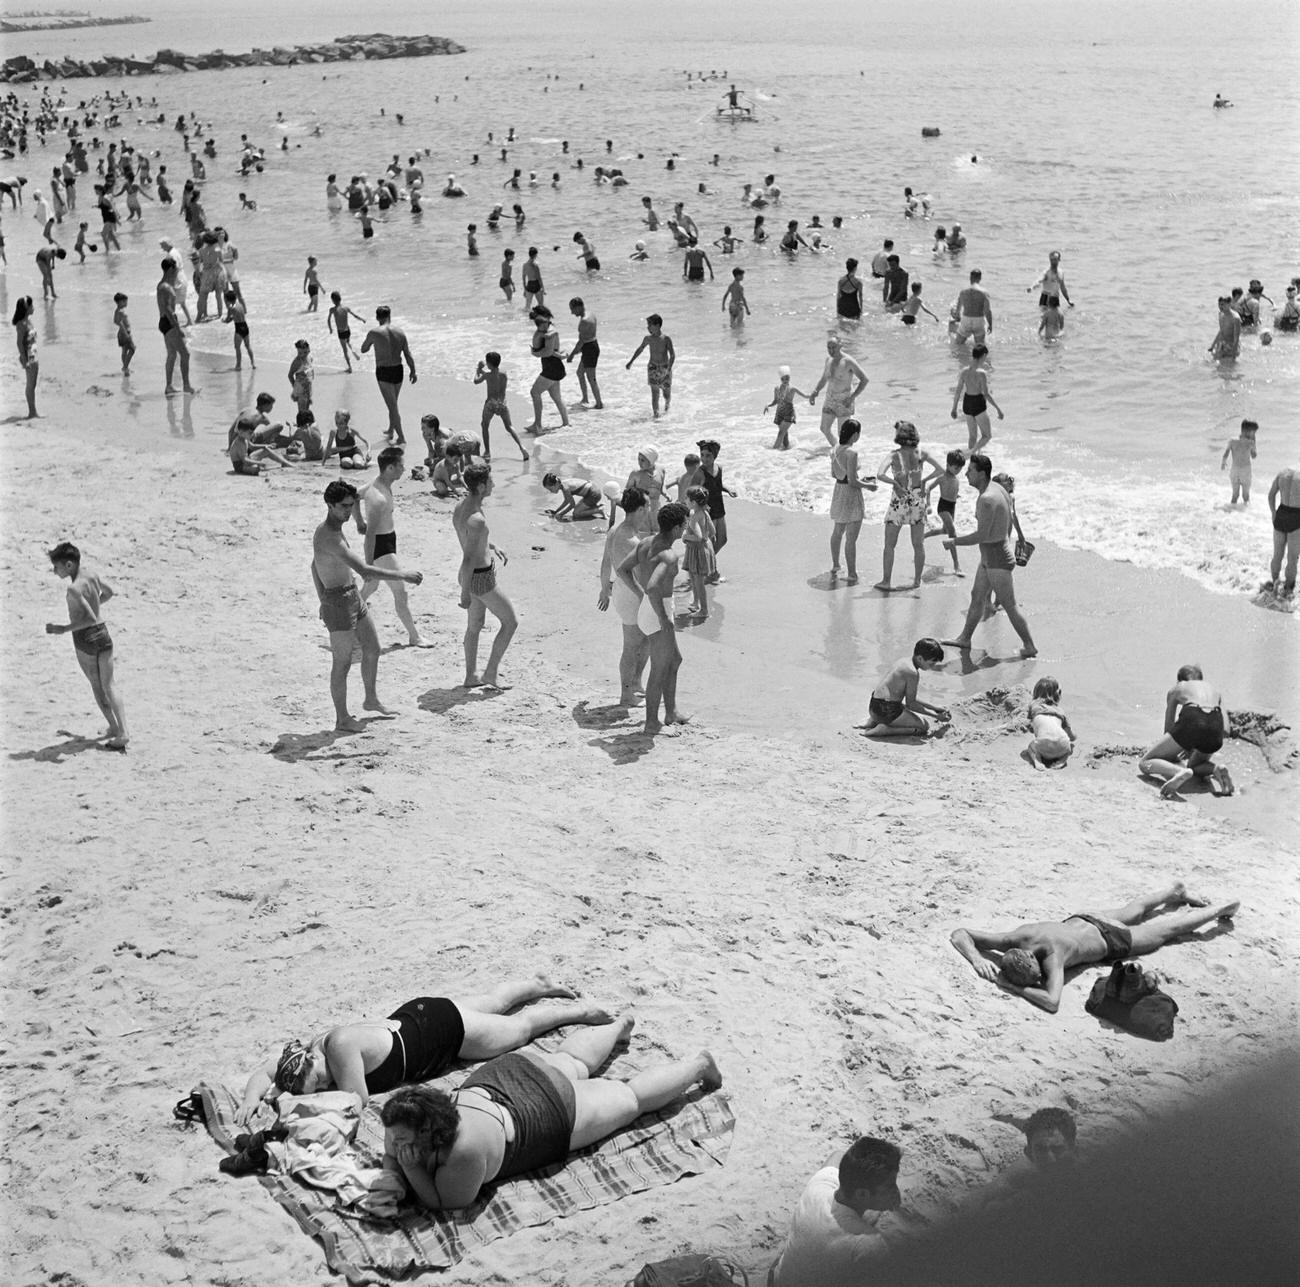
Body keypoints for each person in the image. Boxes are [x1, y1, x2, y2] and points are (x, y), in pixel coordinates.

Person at [378, 1019, 721, 1209]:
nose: (393, 1143)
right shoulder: (406, 1119)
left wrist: (409, 1168)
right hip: (504, 1076)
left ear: (427, 1133)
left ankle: (698, 1064)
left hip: (543, 1110)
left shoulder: (462, 1152)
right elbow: (391, 1145)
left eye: (402, 1140)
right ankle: (618, 1026)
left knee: (629, 1098)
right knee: (570, 1062)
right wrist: (392, 1170)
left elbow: (447, 1202)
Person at [235, 977, 614, 1126]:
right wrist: (254, 1097)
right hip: (419, 1016)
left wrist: (296, 1110)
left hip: (444, 1034)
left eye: (317, 1083)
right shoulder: (305, 1056)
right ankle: (536, 984)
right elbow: (267, 1071)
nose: (320, 1089)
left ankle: (580, 1011)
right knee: (492, 1003)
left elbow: (355, 1100)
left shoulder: (339, 1047)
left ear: (314, 1064)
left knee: (520, 1031)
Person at [949, 882, 1239, 1013]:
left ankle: (1217, 911)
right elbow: (960, 933)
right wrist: (975, 958)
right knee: (1134, 909)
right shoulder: (1015, 937)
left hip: (1110, 940)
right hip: (1084, 918)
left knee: (1168, 931)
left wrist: (1014, 987)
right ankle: (1173, 892)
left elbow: (1052, 1002)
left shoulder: (1052, 957)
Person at [312, 479, 423, 731]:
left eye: (351, 506)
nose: (348, 512)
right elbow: (363, 570)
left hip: (352, 596)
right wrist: (403, 575)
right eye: (343, 507)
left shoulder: (335, 528)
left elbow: (313, 565)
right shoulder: (329, 536)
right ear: (329, 505)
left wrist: (321, 597)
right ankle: (342, 719)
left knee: (373, 649)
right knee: (342, 663)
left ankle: (370, 699)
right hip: (338, 602)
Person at [771, 1137, 902, 1286]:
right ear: (861, 1194)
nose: (895, 1191)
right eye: (890, 1186)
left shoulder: (819, 1185)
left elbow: (837, 1154)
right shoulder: (869, 1244)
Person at [942, 453, 1037, 658]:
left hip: (997, 559)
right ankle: (965, 638)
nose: (966, 473)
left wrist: (954, 541)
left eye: (970, 470)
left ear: (982, 474)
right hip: (990, 557)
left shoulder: (986, 499)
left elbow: (981, 535)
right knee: (977, 597)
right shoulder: (997, 489)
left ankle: (1029, 646)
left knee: (1010, 606)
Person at [44, 541, 129, 749]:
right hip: (104, 634)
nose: (55, 571)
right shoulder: (92, 575)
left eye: (57, 567)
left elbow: (89, 618)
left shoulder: (74, 589)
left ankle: (114, 727)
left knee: (97, 686)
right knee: (110, 684)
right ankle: (123, 731)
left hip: (86, 638)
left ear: (69, 565)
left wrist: (62, 629)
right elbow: (108, 593)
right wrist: (96, 605)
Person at [616, 503, 690, 735]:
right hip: (658, 612)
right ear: (677, 528)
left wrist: (640, 594)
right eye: (685, 524)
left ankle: (671, 711)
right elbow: (654, 586)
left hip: (649, 609)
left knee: (674, 660)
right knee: (659, 668)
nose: (686, 527)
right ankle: (651, 721)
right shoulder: (669, 555)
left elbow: (622, 569)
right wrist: (663, 618)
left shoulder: (646, 543)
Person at [453, 463, 517, 690]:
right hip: (479, 578)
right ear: (481, 486)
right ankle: (490, 673)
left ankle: (471, 676)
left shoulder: (462, 506)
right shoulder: (477, 519)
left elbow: (469, 539)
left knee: (475, 626)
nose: (494, 484)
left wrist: (490, 545)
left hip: (469, 576)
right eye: (490, 481)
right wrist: (464, 595)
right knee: (510, 622)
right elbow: (470, 557)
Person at [358, 447, 427, 647]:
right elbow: (370, 536)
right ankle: (414, 636)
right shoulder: (378, 498)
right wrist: (368, 566)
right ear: (390, 468)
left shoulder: (377, 483)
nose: (404, 469)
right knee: (400, 590)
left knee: (372, 586)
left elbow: (354, 495)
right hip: (381, 546)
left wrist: (358, 522)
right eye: (400, 466)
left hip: (388, 540)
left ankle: (350, 612)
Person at [1138, 665, 1234, 799]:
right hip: (1215, 723)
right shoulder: (1215, 692)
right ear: (1201, 680)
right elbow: (1226, 730)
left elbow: (1168, 729)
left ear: (1179, 680)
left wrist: (1183, 745)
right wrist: (1193, 745)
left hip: (1193, 717)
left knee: (1145, 763)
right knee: (1196, 766)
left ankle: (1179, 772)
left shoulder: (1179, 688)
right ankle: (1216, 769)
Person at [598, 486, 653, 707]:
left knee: (645, 639)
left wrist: (604, 588)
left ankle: (636, 682)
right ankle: (626, 694)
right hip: (631, 595)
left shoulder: (615, 530)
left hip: (621, 591)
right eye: (647, 506)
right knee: (631, 647)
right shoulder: (631, 541)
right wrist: (645, 598)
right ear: (639, 509)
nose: (649, 510)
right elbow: (634, 575)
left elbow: (605, 562)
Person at [875, 421, 944, 591]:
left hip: (900, 499)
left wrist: (895, 484)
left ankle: (886, 581)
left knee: (890, 544)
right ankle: (916, 581)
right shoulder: (921, 453)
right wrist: (925, 481)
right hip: (917, 498)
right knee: (918, 544)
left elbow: (879, 474)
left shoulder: (893, 455)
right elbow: (941, 469)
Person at [860, 638, 949, 737]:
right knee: (923, 726)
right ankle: (886, 730)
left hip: (874, 705)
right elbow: (911, 704)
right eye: (931, 663)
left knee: (901, 706)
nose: (932, 667)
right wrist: (935, 716)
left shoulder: (903, 661)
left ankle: (873, 721)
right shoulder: (912, 673)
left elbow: (911, 698)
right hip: (885, 711)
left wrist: (934, 708)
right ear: (920, 658)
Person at [361, 306, 417, 444]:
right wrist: (413, 371)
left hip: (384, 371)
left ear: (377, 317)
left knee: (392, 406)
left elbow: (363, 349)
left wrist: (373, 344)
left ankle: (402, 437)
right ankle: (391, 429)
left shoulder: (374, 332)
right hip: (398, 370)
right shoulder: (400, 332)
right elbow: (407, 353)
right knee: (393, 403)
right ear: (389, 316)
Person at [828, 418, 873, 583]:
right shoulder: (852, 453)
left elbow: (835, 475)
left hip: (839, 491)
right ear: (854, 435)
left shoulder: (834, 450)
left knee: (838, 531)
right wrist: (869, 486)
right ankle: (852, 573)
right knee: (851, 538)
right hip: (851, 495)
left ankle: (835, 565)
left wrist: (857, 478)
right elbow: (853, 482)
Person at [809, 336, 868, 447]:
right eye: (829, 348)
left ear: (840, 345)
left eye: (834, 347)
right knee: (824, 428)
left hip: (844, 399)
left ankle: (845, 454)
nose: (831, 350)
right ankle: (837, 449)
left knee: (843, 434)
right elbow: (824, 379)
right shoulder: (828, 360)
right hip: (830, 398)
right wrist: (815, 391)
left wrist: (852, 397)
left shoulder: (848, 361)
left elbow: (864, 380)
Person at [474, 350, 530, 460]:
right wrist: (482, 370)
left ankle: (487, 452)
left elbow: (476, 381)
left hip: (490, 403)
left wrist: (477, 370)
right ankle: (521, 447)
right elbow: (499, 385)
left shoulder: (487, 376)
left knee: (484, 425)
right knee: (509, 427)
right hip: (502, 403)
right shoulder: (504, 374)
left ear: (489, 364)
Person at [525, 305, 570, 432]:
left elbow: (548, 352)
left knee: (534, 392)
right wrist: (559, 355)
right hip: (553, 366)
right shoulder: (547, 330)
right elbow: (552, 352)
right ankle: (566, 424)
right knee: (556, 396)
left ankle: (538, 425)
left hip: (552, 368)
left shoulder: (550, 332)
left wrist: (535, 353)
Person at [695, 440, 735, 581]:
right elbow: (691, 491)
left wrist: (728, 489)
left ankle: (703, 563)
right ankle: (711, 572)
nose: (704, 459)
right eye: (702, 455)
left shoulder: (719, 468)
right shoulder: (699, 473)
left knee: (722, 539)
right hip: (707, 512)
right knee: (710, 543)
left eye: (708, 455)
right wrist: (700, 506)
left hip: (719, 507)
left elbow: (717, 484)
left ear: (715, 456)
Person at [951, 345, 1003, 451]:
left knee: (972, 437)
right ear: (983, 356)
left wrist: (954, 408)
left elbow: (958, 391)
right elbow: (986, 394)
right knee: (987, 436)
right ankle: (971, 454)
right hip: (978, 403)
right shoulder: (981, 373)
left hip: (967, 403)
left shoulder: (964, 371)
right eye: (985, 357)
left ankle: (972, 460)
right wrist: (998, 409)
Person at [923, 448, 966, 573]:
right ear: (948, 465)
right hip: (943, 507)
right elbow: (928, 488)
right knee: (952, 532)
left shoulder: (956, 479)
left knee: (944, 530)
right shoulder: (942, 477)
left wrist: (956, 495)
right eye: (956, 468)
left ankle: (924, 535)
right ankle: (956, 565)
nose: (958, 471)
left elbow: (953, 492)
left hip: (952, 506)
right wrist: (928, 504)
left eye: (960, 468)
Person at [626, 314, 676, 418]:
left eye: (650, 325)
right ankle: (656, 415)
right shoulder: (648, 339)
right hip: (652, 368)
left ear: (657, 325)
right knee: (655, 394)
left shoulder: (666, 339)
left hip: (664, 368)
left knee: (666, 394)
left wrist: (669, 369)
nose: (648, 327)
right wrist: (631, 361)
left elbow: (672, 355)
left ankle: (667, 408)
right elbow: (640, 349)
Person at [681, 486, 717, 618]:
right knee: (694, 577)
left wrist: (685, 536)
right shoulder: (705, 513)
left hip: (698, 551)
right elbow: (712, 532)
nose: (685, 500)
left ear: (694, 503)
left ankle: (704, 610)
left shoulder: (695, 517)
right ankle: (696, 603)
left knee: (698, 582)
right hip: (705, 548)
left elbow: (699, 537)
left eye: (686, 498)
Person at [1026, 676, 1076, 769]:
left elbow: (1030, 727)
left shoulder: (1033, 706)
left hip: (1044, 748)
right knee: (1069, 746)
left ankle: (1037, 760)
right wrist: (1075, 737)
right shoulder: (1060, 711)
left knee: (1031, 746)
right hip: (1062, 748)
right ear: (1058, 694)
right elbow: (1071, 737)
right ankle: (1062, 760)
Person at [1266, 465, 1300, 596]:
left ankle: (1274, 586)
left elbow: (1271, 496)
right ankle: (1288, 591)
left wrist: (1273, 513)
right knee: (1292, 558)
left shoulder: (1282, 474)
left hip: (1281, 515)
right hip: (1297, 518)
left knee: (1277, 555)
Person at [566, 298, 603, 409]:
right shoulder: (590, 314)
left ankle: (599, 404)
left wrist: (571, 355)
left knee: (591, 378)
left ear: (578, 307)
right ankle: (585, 398)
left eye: (572, 309)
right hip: (593, 345)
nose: (572, 313)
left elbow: (581, 342)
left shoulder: (583, 322)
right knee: (580, 373)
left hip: (589, 349)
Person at [764, 366, 809, 451]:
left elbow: (805, 395)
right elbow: (775, 401)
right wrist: (768, 405)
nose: (785, 380)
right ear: (780, 379)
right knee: (784, 435)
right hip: (779, 413)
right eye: (783, 379)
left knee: (781, 432)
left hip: (789, 413)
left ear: (789, 378)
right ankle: (786, 452)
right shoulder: (777, 388)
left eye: (787, 378)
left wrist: (814, 394)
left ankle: (772, 452)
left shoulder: (792, 389)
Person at [12, 295, 39, 418]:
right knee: (30, 384)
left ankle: (33, 411)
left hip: (33, 354)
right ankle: (32, 412)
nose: (33, 307)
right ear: (27, 308)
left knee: (33, 384)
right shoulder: (21, 324)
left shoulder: (28, 321)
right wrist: (24, 359)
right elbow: (19, 343)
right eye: (31, 305)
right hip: (29, 356)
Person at [1221, 419, 1258, 504]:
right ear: (1250, 432)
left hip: (1234, 470)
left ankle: (1232, 513)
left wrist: (1223, 462)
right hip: (1245, 471)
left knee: (1235, 496)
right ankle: (1246, 515)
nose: (1254, 434)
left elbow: (1226, 454)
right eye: (1254, 432)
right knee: (1245, 496)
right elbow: (1254, 456)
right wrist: (1254, 443)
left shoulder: (1232, 441)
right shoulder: (1250, 442)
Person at [953, 269, 993, 344]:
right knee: (979, 347)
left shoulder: (963, 291)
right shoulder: (984, 292)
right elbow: (987, 311)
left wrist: (957, 317)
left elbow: (958, 309)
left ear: (970, 278)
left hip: (966, 319)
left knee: (958, 344)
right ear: (980, 278)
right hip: (979, 320)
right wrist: (990, 325)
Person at [328, 291, 365, 372]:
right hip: (348, 330)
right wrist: (362, 319)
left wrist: (330, 328)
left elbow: (328, 320)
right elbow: (355, 316)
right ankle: (353, 350)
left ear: (333, 300)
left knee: (345, 350)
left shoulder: (332, 310)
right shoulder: (346, 308)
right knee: (348, 342)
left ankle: (350, 367)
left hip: (341, 332)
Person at [224, 290, 254, 370]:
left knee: (237, 347)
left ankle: (238, 365)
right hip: (245, 326)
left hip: (238, 328)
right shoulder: (240, 305)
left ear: (227, 300)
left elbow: (228, 320)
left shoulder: (231, 308)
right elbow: (238, 315)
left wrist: (224, 320)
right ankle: (253, 363)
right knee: (248, 346)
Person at [1208, 295, 1241, 360]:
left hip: (1231, 346)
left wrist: (1233, 356)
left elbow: (1236, 338)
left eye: (1223, 304)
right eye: (1219, 304)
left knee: (1228, 367)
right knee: (1215, 364)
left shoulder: (1235, 318)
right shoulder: (1221, 314)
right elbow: (1221, 331)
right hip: (1221, 344)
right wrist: (1212, 345)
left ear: (1229, 304)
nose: (1220, 306)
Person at [112, 292, 135, 375]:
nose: (126, 303)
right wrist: (126, 335)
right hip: (124, 333)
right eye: (125, 301)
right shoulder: (120, 311)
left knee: (125, 351)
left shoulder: (117, 311)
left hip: (122, 333)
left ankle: (126, 368)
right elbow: (120, 323)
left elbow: (115, 321)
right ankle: (125, 367)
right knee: (132, 349)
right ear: (121, 302)